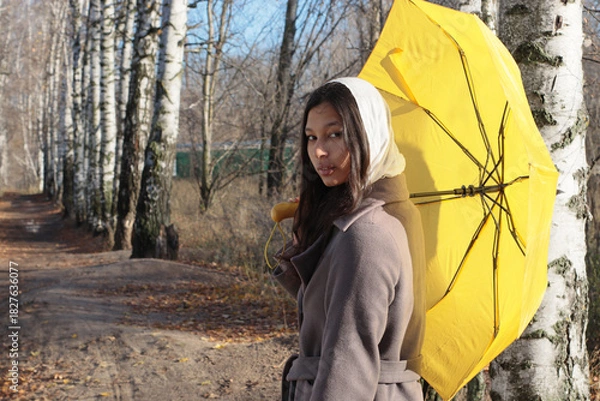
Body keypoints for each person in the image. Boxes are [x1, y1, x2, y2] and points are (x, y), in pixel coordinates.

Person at [273, 77, 426, 401]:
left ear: (369, 134)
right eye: (311, 137)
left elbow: (348, 366)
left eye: (335, 134)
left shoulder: (365, 235)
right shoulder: (371, 219)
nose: (318, 150)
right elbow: (334, 312)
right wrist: (314, 236)